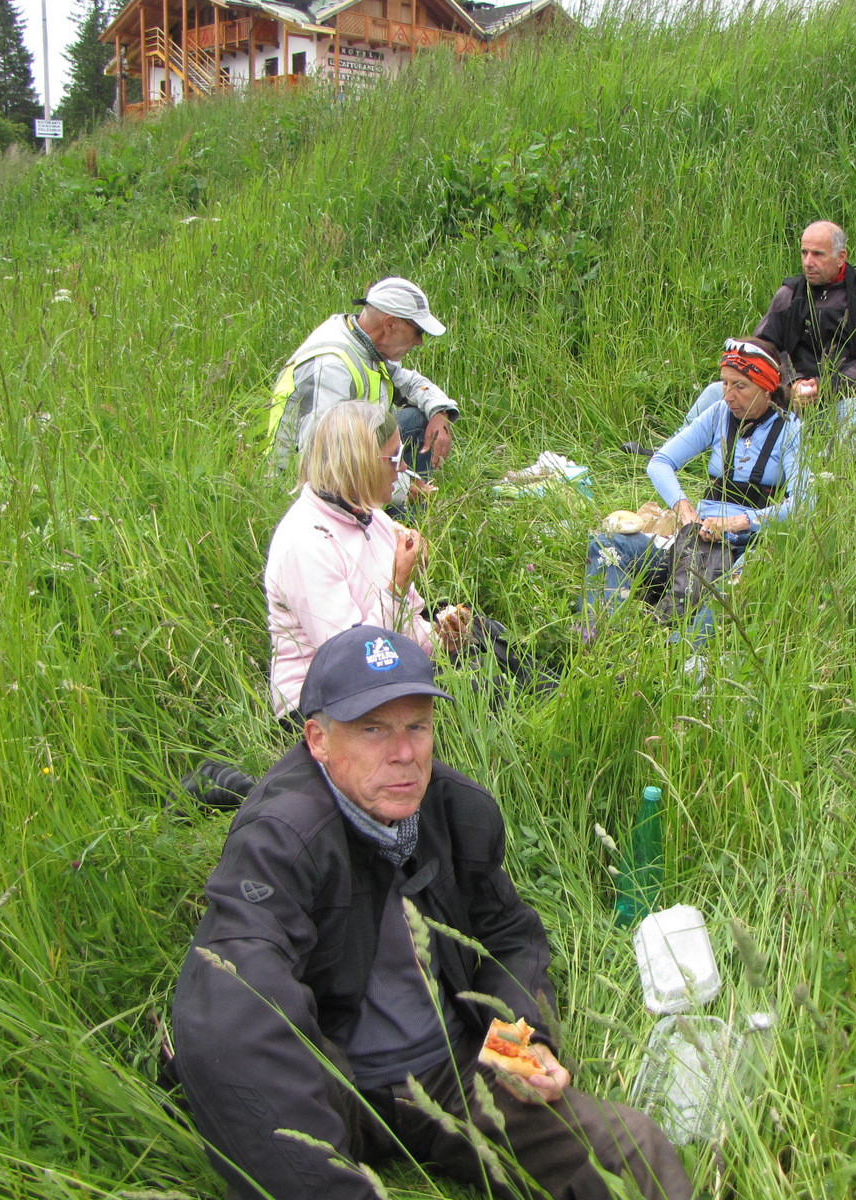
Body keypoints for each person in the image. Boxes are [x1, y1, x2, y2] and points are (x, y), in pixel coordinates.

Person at [169, 626, 693, 1200]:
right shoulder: (283, 836)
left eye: (416, 726)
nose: (403, 754)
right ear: (318, 739)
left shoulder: (453, 808)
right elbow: (234, 1007)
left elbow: (508, 936)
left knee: (633, 1149)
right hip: (337, 1087)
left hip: (455, 1071)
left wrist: (524, 1040)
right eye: (372, 730)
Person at [265, 401, 472, 721]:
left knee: (487, 647)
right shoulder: (305, 542)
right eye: (395, 458)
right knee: (476, 692)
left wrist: (442, 640)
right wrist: (398, 585)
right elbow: (350, 661)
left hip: (385, 671)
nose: (403, 468)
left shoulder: (369, 515)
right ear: (358, 465)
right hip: (326, 704)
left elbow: (406, 626)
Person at [588, 340, 806, 639]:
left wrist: (738, 523)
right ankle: (604, 634)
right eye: (725, 383)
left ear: (766, 386)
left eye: (740, 386)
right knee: (607, 545)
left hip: (747, 545)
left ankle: (680, 654)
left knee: (731, 590)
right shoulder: (717, 414)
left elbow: (804, 502)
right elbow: (660, 462)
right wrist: (686, 511)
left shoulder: (790, 428)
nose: (729, 395)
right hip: (695, 540)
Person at [676, 221, 856, 451]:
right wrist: (791, 383)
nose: (808, 262)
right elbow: (759, 351)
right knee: (715, 391)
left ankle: (818, 467)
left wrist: (823, 387)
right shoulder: (787, 296)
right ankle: (674, 449)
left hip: (834, 402)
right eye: (804, 252)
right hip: (781, 399)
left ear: (841, 257)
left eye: (818, 254)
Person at [268, 277, 459, 487]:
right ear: (391, 324)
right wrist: (401, 489)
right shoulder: (332, 366)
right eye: (418, 332)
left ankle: (402, 510)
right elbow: (325, 464)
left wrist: (441, 415)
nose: (419, 341)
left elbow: (413, 384)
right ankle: (401, 515)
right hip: (303, 483)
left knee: (418, 417)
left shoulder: (367, 344)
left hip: (356, 455)